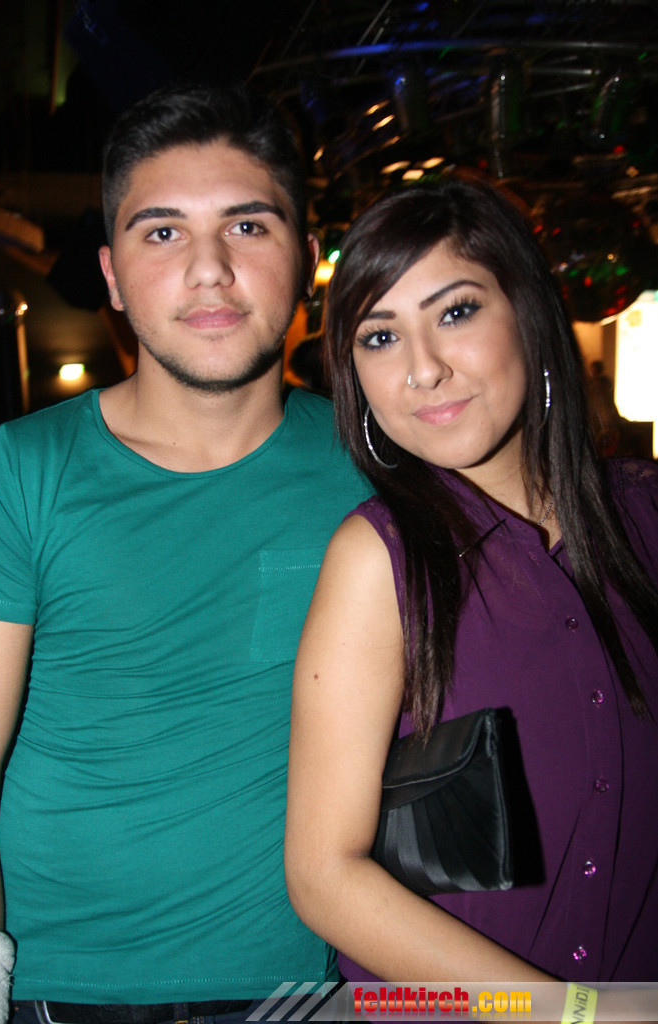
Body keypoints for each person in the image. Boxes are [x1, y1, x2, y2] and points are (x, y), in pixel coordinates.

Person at [0, 82, 370, 1024]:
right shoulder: (20, 469)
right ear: (112, 276)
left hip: (304, 989)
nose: (208, 271)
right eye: (162, 233)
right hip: (51, 988)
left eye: (247, 227)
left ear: (307, 257)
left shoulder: (374, 471)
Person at [284, 178, 658, 986]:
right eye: (379, 338)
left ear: (527, 312)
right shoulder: (376, 560)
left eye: (455, 313)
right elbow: (323, 876)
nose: (422, 369)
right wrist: (569, 1015)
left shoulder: (644, 515)